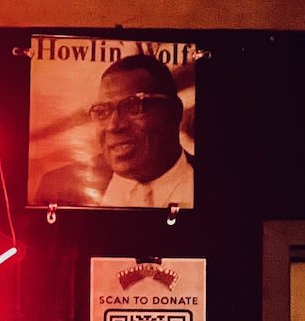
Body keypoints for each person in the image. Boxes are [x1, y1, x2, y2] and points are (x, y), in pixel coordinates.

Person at [36, 54, 193, 210]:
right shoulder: (57, 188)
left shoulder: (213, 187)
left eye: (133, 106)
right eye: (102, 112)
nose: (113, 126)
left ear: (174, 111)